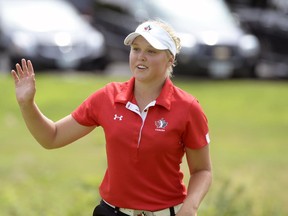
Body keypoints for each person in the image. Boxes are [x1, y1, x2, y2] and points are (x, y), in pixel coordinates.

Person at [11, 20, 212, 216]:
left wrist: (190, 207)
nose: (141, 57)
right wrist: (27, 105)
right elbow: (52, 137)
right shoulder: (107, 97)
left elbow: (202, 170)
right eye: (136, 49)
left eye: (151, 51)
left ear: (170, 59)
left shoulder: (187, 108)